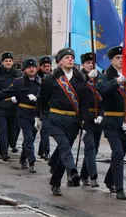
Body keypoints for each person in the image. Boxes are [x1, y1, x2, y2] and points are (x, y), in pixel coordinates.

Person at [38, 48, 88, 196]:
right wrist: (39, 117)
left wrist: (84, 122)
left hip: (72, 120)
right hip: (55, 118)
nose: (70, 60)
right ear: (59, 61)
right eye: (66, 57)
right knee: (64, 146)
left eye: (72, 57)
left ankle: (55, 182)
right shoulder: (50, 79)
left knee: (62, 152)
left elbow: (83, 103)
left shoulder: (80, 80)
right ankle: (72, 171)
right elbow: (42, 99)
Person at [96, 46, 126, 200]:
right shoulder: (105, 76)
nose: (121, 60)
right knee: (118, 152)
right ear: (111, 60)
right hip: (111, 120)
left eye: (123, 57)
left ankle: (109, 179)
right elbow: (102, 90)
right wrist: (117, 81)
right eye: (117, 58)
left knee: (120, 154)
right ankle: (119, 189)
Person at [0, 58, 41, 173]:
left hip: (36, 114)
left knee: (30, 137)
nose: (32, 69)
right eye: (29, 67)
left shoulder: (42, 82)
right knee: (28, 137)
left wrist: (38, 100)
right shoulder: (19, 82)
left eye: (34, 67)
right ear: (24, 70)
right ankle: (32, 161)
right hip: (24, 112)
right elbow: (4, 93)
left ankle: (23, 158)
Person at [79, 52, 102, 187]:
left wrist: (102, 114)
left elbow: (104, 98)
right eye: (88, 63)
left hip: (97, 117)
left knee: (95, 148)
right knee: (90, 147)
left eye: (92, 63)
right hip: (85, 117)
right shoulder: (79, 78)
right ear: (83, 64)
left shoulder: (100, 78)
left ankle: (84, 174)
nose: (90, 65)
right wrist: (87, 78)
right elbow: (77, 91)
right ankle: (93, 177)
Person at [37, 56, 52, 160]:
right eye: (45, 66)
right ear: (41, 67)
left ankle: (45, 151)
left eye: (48, 66)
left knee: (45, 131)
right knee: (39, 132)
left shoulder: (52, 77)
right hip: (38, 107)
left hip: (50, 108)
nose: (47, 68)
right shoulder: (37, 77)